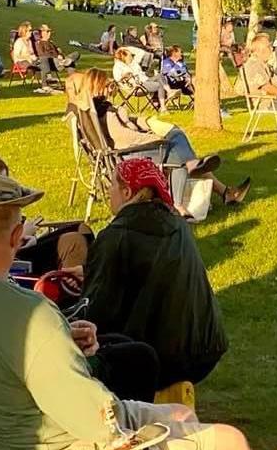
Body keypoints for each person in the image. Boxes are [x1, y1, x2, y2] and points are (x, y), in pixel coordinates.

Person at [0, 168, 254, 450]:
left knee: (182, 413)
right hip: (44, 448)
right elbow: (98, 422)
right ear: (16, 236)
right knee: (228, 441)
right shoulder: (31, 315)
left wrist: (57, 341)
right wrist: (53, 341)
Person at [84, 158, 232, 389]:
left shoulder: (117, 236)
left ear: (126, 191)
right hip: (205, 349)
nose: (108, 191)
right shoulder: (177, 224)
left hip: (158, 361)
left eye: (112, 184)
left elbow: (96, 312)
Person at [73, 69, 251, 206]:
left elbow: (124, 126)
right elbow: (123, 136)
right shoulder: (106, 111)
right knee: (175, 135)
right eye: (108, 84)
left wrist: (143, 123)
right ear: (98, 86)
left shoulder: (96, 109)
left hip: (126, 152)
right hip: (131, 153)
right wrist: (153, 138)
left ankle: (223, 190)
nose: (112, 87)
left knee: (178, 141)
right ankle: (203, 176)